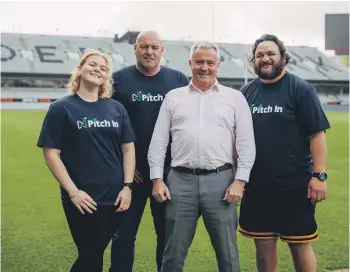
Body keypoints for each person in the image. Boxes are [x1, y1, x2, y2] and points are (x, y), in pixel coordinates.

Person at [148, 41, 256, 272]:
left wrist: (240, 181)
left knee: (228, 255)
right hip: (180, 182)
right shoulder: (173, 97)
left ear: (218, 65)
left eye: (209, 62)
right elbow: (158, 142)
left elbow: (246, 144)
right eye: (199, 62)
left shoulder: (234, 98)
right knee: (173, 255)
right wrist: (157, 179)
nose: (204, 67)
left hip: (221, 182)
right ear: (190, 64)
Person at [37, 49, 136, 272]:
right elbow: (51, 154)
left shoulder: (116, 108)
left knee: (93, 255)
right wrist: (73, 191)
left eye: (103, 68)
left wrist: (128, 187)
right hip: (82, 198)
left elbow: (128, 149)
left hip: (116, 197)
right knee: (91, 255)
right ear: (80, 69)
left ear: (106, 77)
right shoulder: (61, 108)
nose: (97, 70)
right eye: (92, 64)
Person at [239, 34, 330, 272]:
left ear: (283, 58)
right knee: (264, 245)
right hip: (257, 185)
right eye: (260, 55)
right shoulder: (246, 93)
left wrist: (319, 176)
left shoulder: (300, 88)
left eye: (271, 54)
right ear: (254, 60)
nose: (265, 58)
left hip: (295, 184)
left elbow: (317, 135)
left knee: (299, 244)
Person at [109, 30, 190, 272]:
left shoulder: (178, 80)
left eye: (155, 47)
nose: (149, 52)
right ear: (135, 49)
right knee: (123, 236)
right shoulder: (118, 80)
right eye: (144, 46)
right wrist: (125, 167)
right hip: (129, 177)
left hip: (167, 176)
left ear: (162, 50)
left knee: (166, 238)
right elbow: (107, 124)